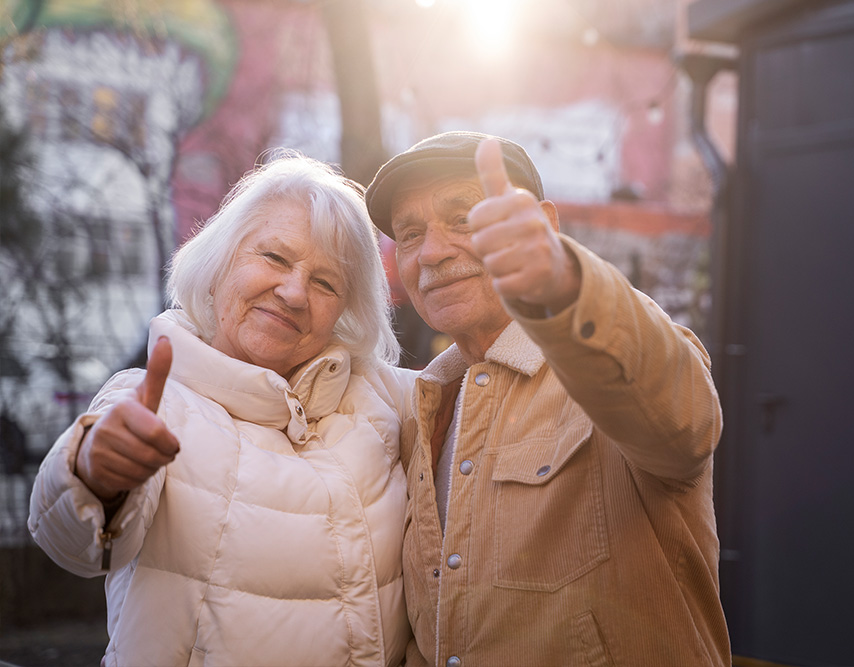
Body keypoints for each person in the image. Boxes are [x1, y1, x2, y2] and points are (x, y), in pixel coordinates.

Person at [29, 153, 415, 666]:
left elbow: (493, 378)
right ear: (219, 262)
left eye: (326, 283)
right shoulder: (153, 401)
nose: (294, 293)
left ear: (345, 311)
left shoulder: (384, 399)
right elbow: (71, 542)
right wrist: (95, 474)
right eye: (275, 258)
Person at [365, 131, 730, 666]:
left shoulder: (607, 363)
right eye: (411, 234)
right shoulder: (422, 410)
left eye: (463, 219)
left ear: (546, 227)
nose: (432, 252)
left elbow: (683, 422)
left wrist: (564, 284)